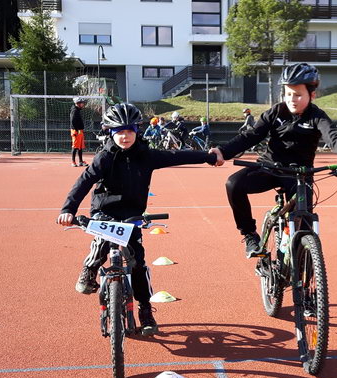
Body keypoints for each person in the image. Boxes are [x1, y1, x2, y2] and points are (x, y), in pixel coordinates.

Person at [55, 103, 222, 336]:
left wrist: (207, 156)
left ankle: (145, 309)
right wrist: (68, 209)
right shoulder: (104, 157)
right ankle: (90, 268)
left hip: (132, 215)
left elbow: (176, 155)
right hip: (105, 211)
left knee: (137, 263)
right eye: (119, 131)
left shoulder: (146, 155)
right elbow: (84, 181)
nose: (125, 136)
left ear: (138, 131)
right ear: (111, 132)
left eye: (130, 130)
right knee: (102, 242)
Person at [210, 62, 337, 257]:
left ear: (312, 95)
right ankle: (249, 234)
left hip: (300, 176)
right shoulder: (276, 112)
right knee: (233, 184)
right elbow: (251, 136)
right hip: (270, 168)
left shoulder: (317, 117)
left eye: (298, 94)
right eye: (288, 94)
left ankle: (301, 263)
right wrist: (223, 152)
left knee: (304, 223)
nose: (292, 99)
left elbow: (333, 136)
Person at [70, 97, 87, 167]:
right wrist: (76, 130)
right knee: (75, 147)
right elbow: (73, 122)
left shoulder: (78, 110)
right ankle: (73, 162)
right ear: (78, 103)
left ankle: (80, 161)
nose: (83, 104)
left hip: (80, 131)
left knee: (80, 147)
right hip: (76, 131)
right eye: (82, 103)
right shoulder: (74, 111)